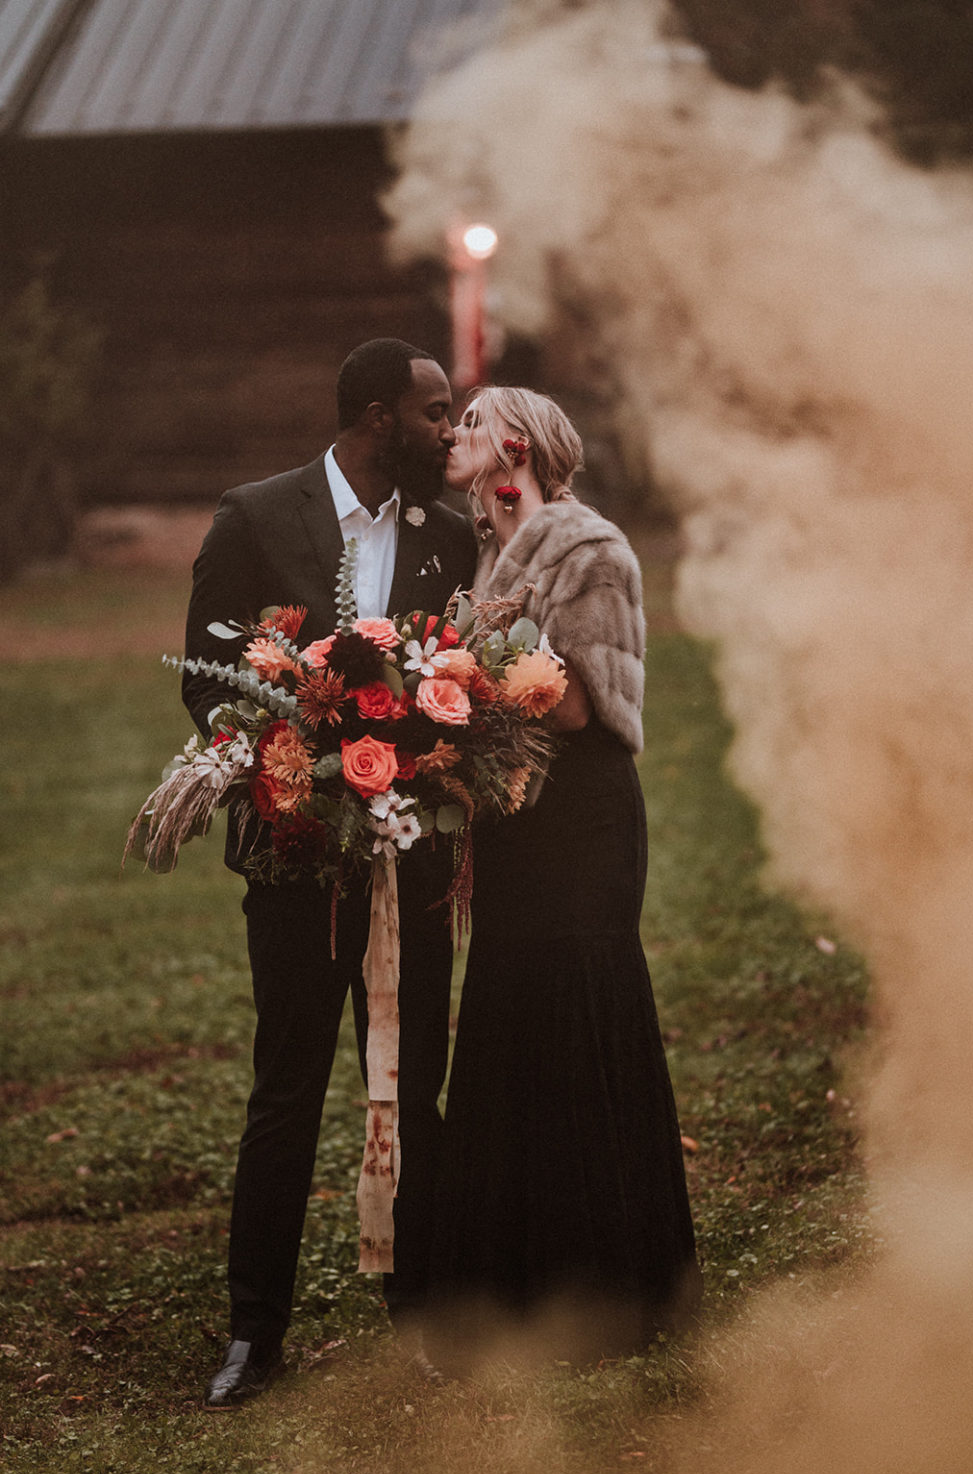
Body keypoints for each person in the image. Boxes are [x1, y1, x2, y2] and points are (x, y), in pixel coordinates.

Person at [183, 339, 477, 1408]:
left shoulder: (448, 534)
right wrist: (293, 773)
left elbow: (466, 675)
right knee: (288, 1085)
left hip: (417, 854)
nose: (451, 429)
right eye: (435, 411)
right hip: (300, 857)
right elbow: (211, 683)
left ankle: (424, 1307)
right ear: (374, 416)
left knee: (412, 1083)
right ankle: (254, 1331)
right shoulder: (256, 515)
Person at [422, 386, 702, 1372]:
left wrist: (453, 686)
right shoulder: (489, 551)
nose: (448, 437)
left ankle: (612, 1281)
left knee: (579, 1000)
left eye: (464, 423)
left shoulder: (588, 547)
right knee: (508, 1003)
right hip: (514, 819)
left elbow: (576, 705)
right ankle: (514, 1279)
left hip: (580, 812)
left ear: (513, 443)